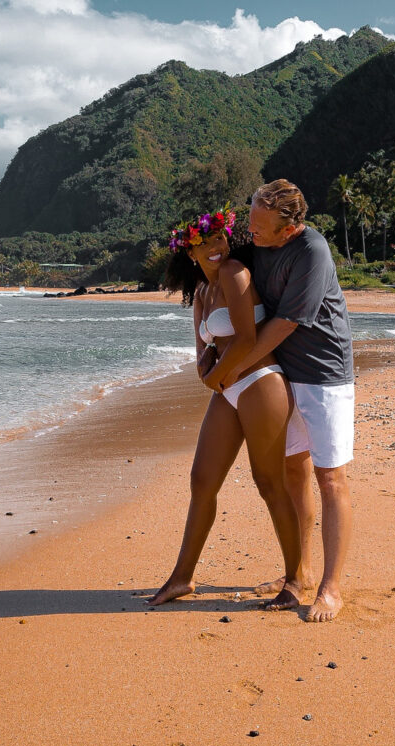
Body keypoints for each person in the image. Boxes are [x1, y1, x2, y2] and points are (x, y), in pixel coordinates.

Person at [148, 208, 303, 610]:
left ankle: (296, 579)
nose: (215, 248)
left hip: (259, 383)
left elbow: (247, 337)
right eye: (204, 243)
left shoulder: (235, 272)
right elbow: (203, 347)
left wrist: (215, 375)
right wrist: (208, 374)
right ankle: (182, 578)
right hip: (226, 389)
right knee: (202, 480)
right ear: (190, 252)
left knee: (269, 482)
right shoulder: (201, 291)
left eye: (219, 239)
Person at [226, 179, 354, 622]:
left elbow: (284, 324)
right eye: (250, 220)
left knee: (330, 477)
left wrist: (235, 365)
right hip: (283, 373)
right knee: (292, 470)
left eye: (260, 226)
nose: (251, 232)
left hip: (324, 375)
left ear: (290, 228)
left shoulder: (312, 252)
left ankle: (331, 587)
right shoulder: (259, 241)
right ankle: (298, 575)